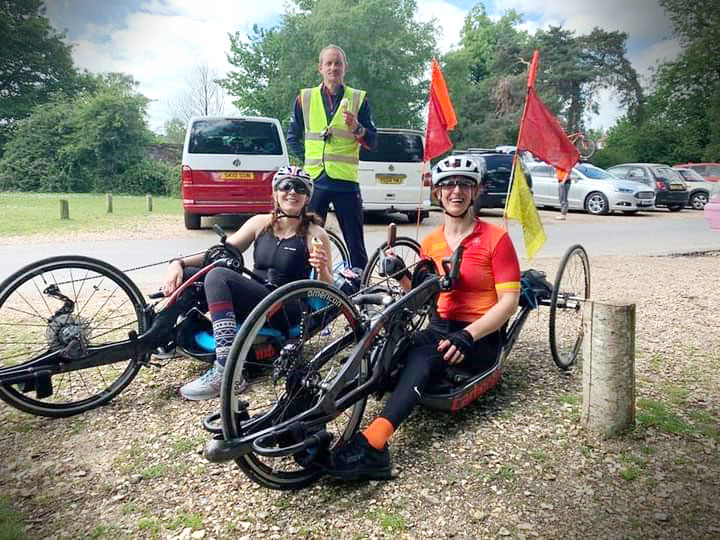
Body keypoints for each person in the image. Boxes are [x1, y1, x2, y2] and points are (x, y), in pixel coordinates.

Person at [324, 156, 522, 481]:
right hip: (440, 326)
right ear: (438, 193)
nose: (455, 191)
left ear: (476, 192)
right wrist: (401, 275)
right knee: (384, 350)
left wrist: (468, 336)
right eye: (448, 185)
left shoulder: (495, 239)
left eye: (464, 184)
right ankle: (315, 420)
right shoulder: (432, 241)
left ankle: (374, 445)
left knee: (423, 357)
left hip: (479, 335)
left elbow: (508, 303)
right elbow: (424, 294)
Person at [161, 166, 333, 401]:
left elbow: (328, 291)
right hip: (258, 296)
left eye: (300, 188)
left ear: (307, 197)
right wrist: (178, 263)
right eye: (285, 186)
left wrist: (322, 268)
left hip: (285, 307)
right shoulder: (260, 223)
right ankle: (166, 336)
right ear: (275, 193)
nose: (292, 192)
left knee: (218, 276)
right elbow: (219, 253)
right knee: (197, 274)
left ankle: (228, 370)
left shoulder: (315, 234)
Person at [286, 44, 377, 270]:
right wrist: (307, 161)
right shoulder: (304, 98)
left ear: (345, 67)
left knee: (355, 245)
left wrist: (358, 128)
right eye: (329, 63)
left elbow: (373, 142)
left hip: (346, 182)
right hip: (316, 182)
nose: (333, 68)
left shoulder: (359, 99)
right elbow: (292, 137)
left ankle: (359, 293)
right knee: (307, 241)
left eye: (338, 63)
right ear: (320, 68)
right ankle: (303, 289)